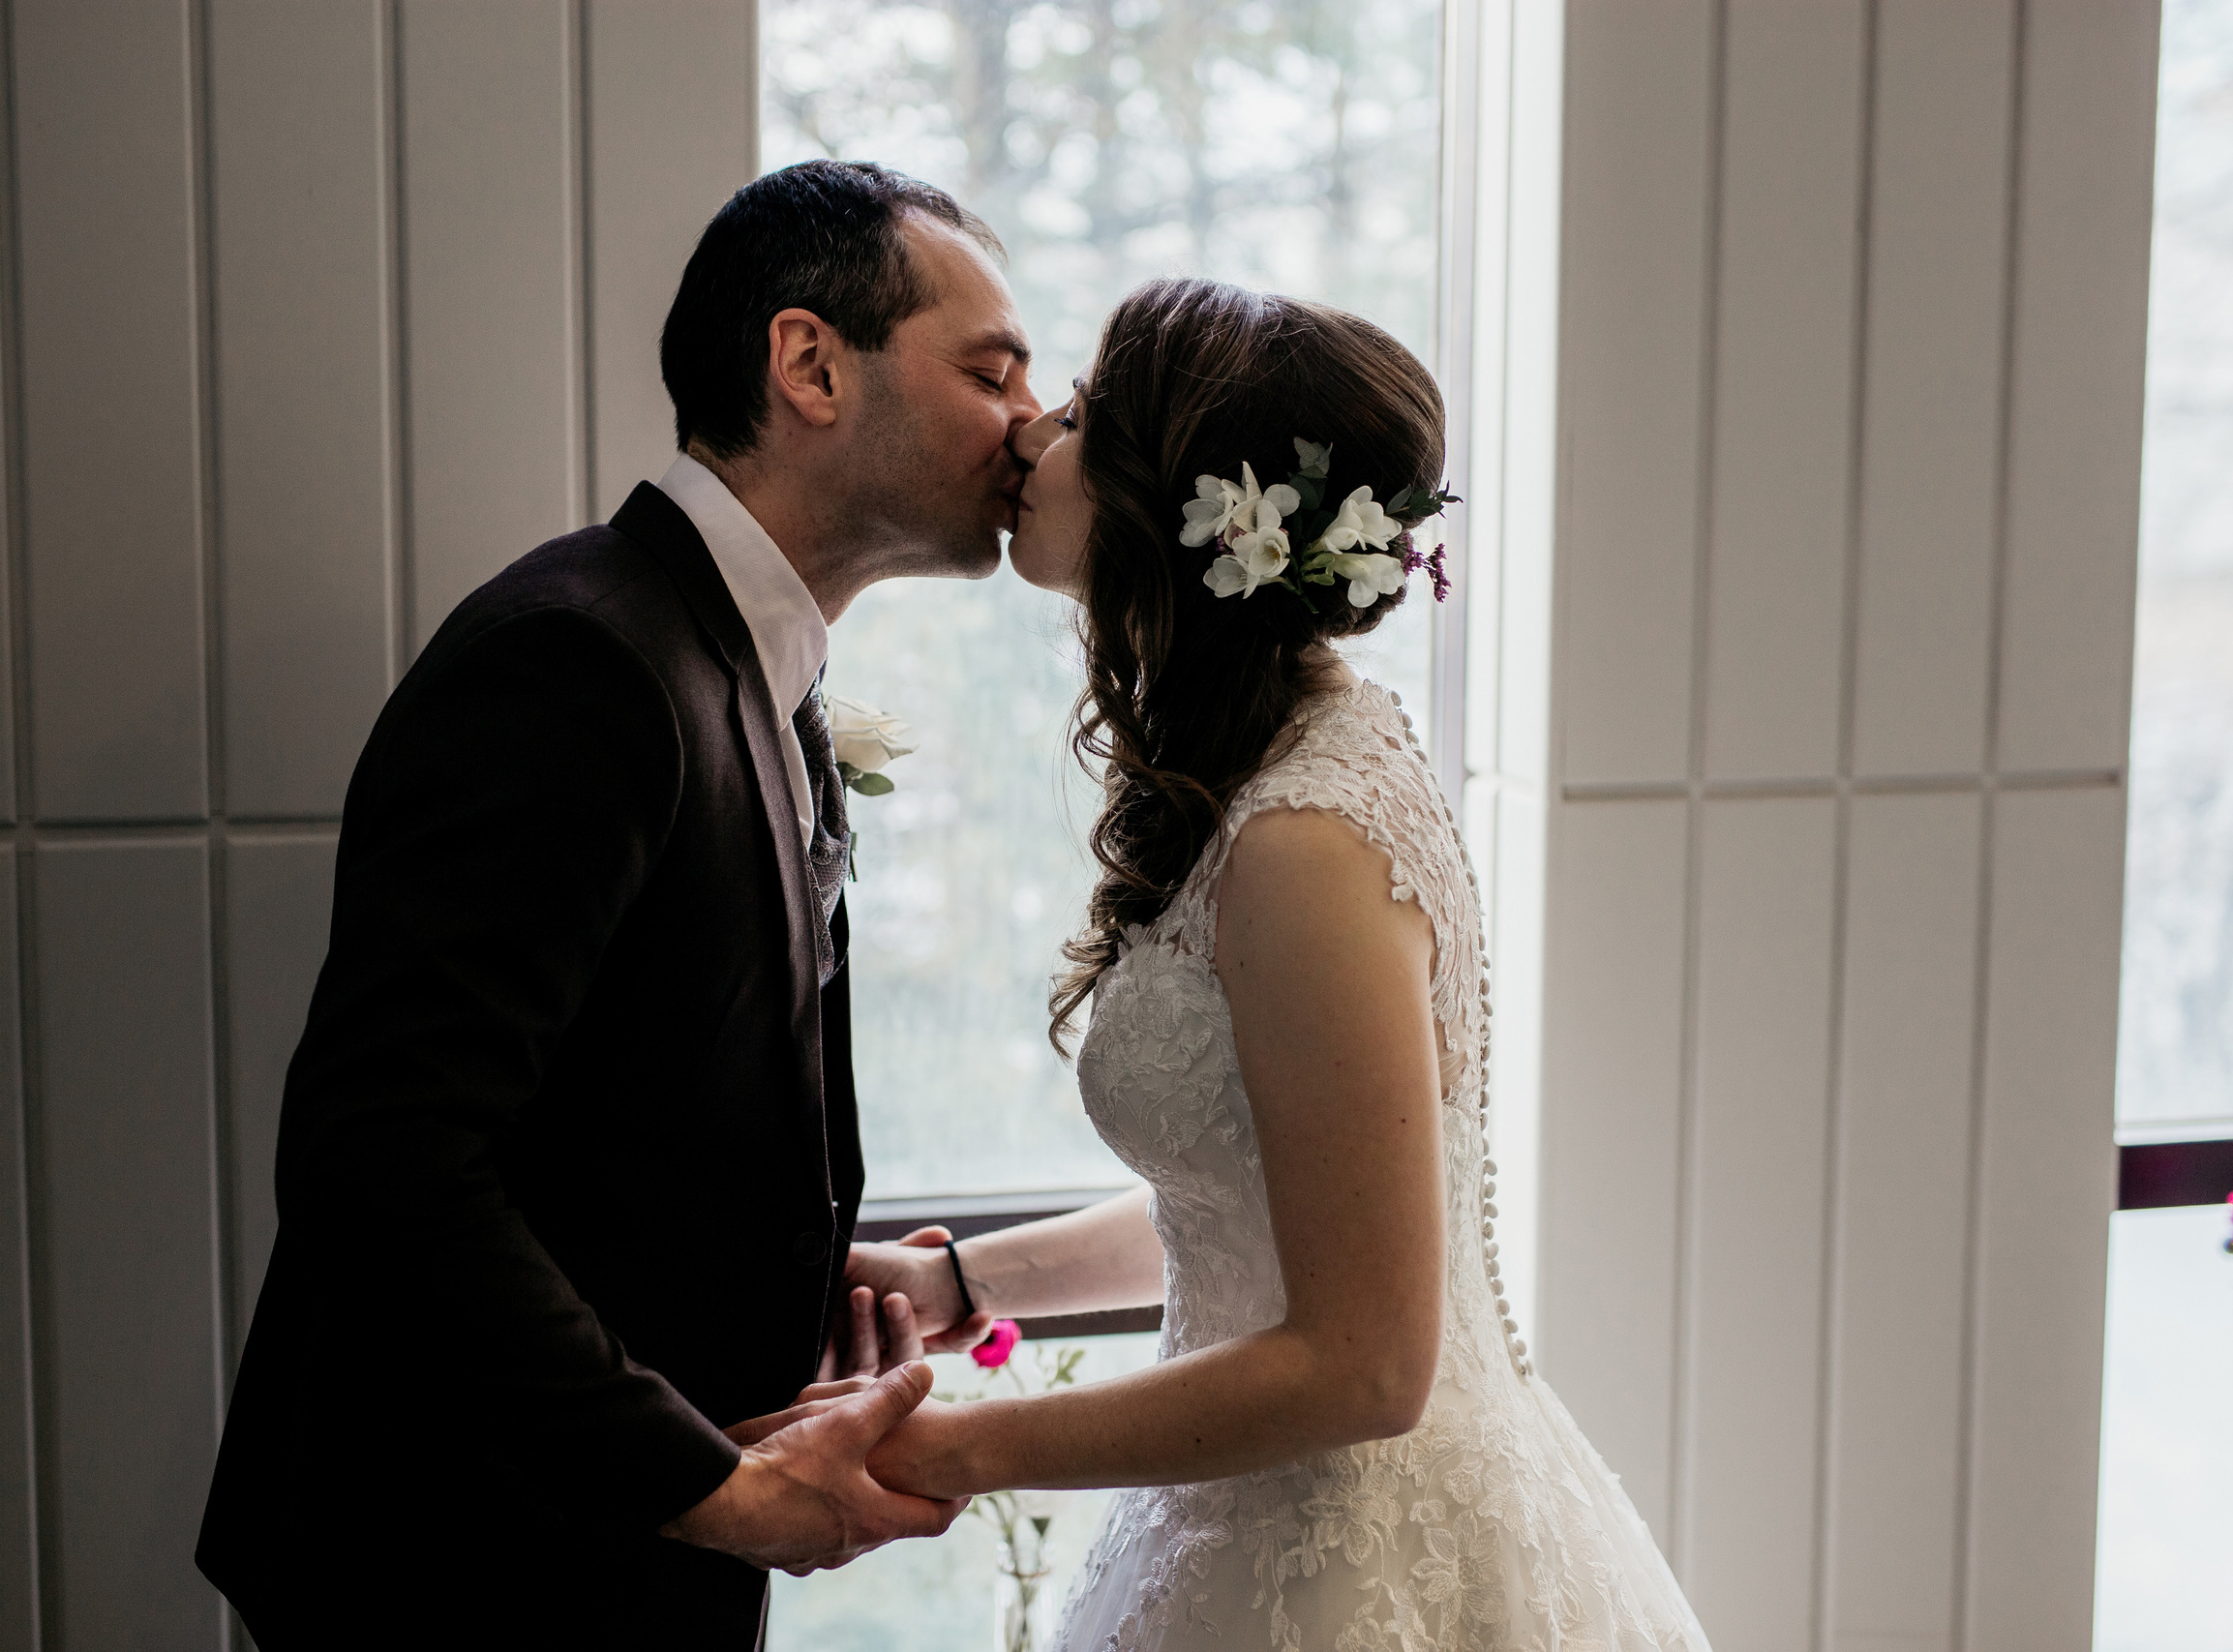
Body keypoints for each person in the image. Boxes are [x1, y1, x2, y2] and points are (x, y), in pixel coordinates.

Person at [195, 159, 1025, 1649]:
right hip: (461, 1567)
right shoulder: (577, 663)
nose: (1028, 420)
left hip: (603, 1555)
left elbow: (624, 1102)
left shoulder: (752, 671)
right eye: (991, 368)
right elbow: (382, 1157)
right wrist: (712, 1486)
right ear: (809, 363)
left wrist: (773, 1291)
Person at [842, 279, 1713, 1649]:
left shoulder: (1306, 838)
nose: (1030, 438)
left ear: (1179, 505)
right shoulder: (1278, 767)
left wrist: (957, 1450)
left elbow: (1366, 1364)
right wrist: (964, 1288)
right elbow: (1264, 1201)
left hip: (1354, 1571)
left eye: (1079, 413)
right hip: (1253, 1527)